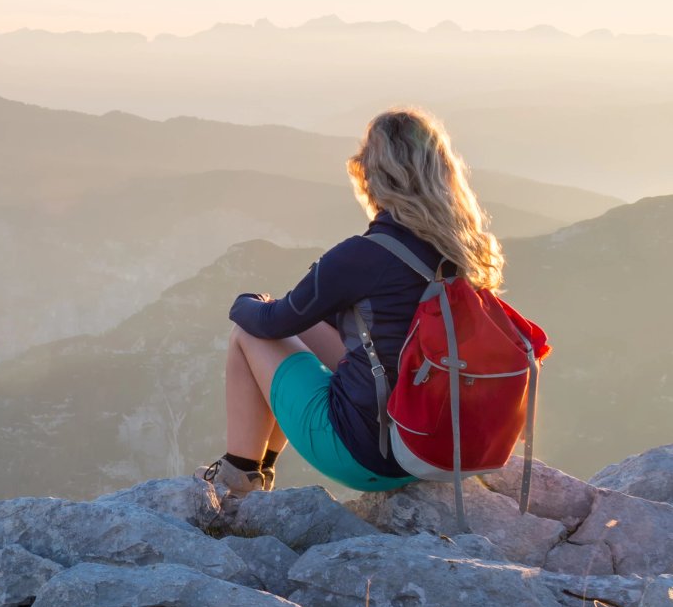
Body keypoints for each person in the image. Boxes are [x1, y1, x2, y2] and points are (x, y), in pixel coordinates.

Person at [197, 107, 507, 497]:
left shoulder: (363, 255)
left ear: (371, 175)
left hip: (370, 457)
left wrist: (246, 302)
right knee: (304, 327)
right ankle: (253, 476)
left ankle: (238, 481)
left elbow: (272, 323)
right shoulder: (466, 251)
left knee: (249, 334)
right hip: (435, 447)